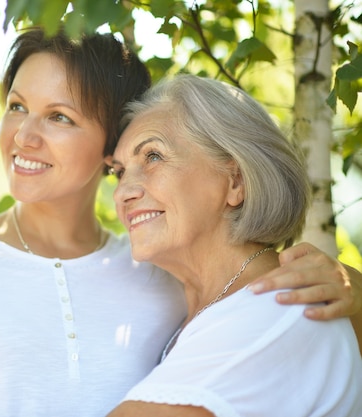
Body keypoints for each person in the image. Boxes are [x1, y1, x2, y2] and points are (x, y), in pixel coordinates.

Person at [0, 28, 362, 417]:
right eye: (16, 106)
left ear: (107, 144)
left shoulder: (174, 279)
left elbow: (276, 336)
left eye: (59, 117)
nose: (25, 136)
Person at [105, 74, 362, 416]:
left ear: (236, 181)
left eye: (153, 156)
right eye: (119, 172)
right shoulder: (211, 311)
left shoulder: (277, 310)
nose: (123, 192)